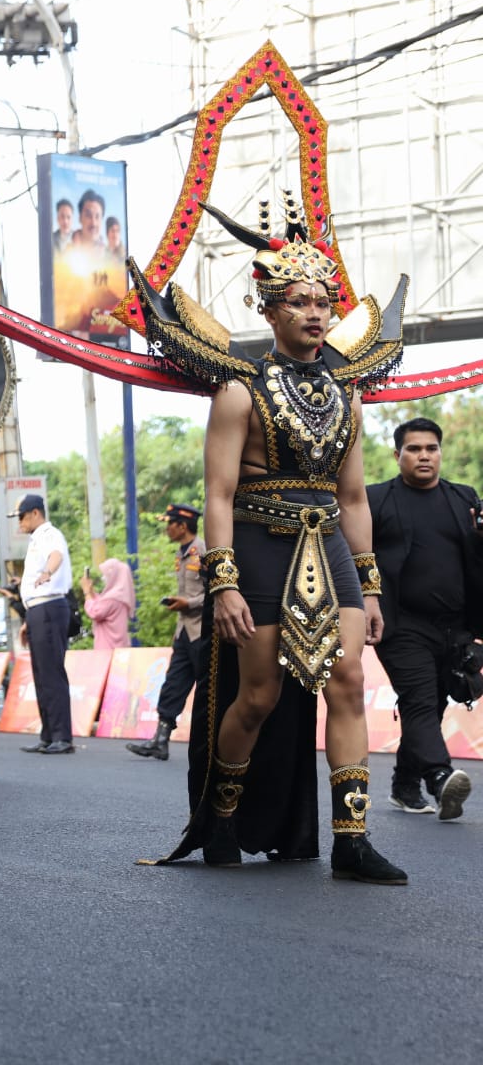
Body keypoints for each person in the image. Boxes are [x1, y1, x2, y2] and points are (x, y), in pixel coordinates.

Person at [148, 192, 404, 882]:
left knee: (347, 683)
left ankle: (352, 839)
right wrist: (220, 580)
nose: (316, 312)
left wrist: (370, 584)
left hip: (331, 550)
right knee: (258, 695)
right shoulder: (238, 391)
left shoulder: (349, 394)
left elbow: (353, 497)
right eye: (298, 300)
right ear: (269, 310)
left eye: (323, 300)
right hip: (261, 547)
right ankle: (222, 816)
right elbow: (219, 496)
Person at [368, 417, 480, 820]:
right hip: (398, 623)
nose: (424, 455)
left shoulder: (464, 499)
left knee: (433, 704)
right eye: (414, 449)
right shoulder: (375, 500)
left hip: (454, 628)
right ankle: (439, 776)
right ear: (397, 455)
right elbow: (351, 555)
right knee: (418, 698)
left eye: (431, 448)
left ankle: (404, 784)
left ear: (440, 452)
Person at [126, 504, 206, 760]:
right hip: (183, 630)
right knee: (173, 684)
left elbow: (219, 592)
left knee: (208, 690)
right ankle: (160, 740)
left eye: (169, 523)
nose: (166, 528)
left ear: (183, 526)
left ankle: (213, 747)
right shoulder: (181, 553)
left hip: (202, 631)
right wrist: (178, 601)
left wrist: (189, 603)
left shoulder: (203, 550)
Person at [12, 494, 74, 754]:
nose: (19, 523)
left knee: (51, 673)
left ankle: (62, 736)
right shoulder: (36, 538)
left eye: (22, 516)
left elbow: (56, 555)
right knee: (40, 674)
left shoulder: (49, 533)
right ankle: (48, 734)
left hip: (49, 606)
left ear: (35, 513)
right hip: (38, 610)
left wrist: (48, 572)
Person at [81, 557, 135, 653]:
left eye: (106, 574)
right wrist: (92, 592)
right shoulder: (121, 595)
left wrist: (87, 593)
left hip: (107, 649)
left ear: (113, 576)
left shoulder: (112, 598)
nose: (103, 578)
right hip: (119, 647)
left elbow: (95, 612)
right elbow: (102, 604)